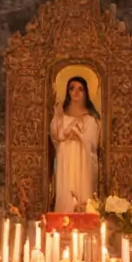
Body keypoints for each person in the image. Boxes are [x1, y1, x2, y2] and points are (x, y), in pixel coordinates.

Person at [50, 75, 100, 212]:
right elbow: (55, 135)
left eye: (80, 89)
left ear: (85, 93)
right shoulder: (61, 114)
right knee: (66, 191)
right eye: (72, 88)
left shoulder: (90, 118)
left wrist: (78, 134)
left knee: (82, 190)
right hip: (65, 157)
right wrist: (59, 117)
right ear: (68, 92)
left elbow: (92, 142)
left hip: (82, 160)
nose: (76, 92)